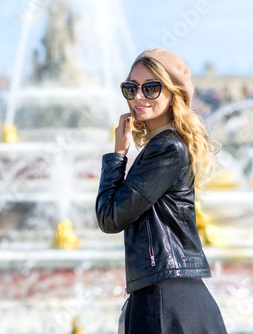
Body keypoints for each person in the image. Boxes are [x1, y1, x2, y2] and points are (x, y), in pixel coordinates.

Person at [96, 48, 227, 333]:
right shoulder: (163, 146)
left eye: (151, 87)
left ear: (173, 93)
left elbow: (110, 217)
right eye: (131, 88)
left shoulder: (166, 148)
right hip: (166, 294)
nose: (138, 97)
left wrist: (118, 155)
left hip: (165, 300)